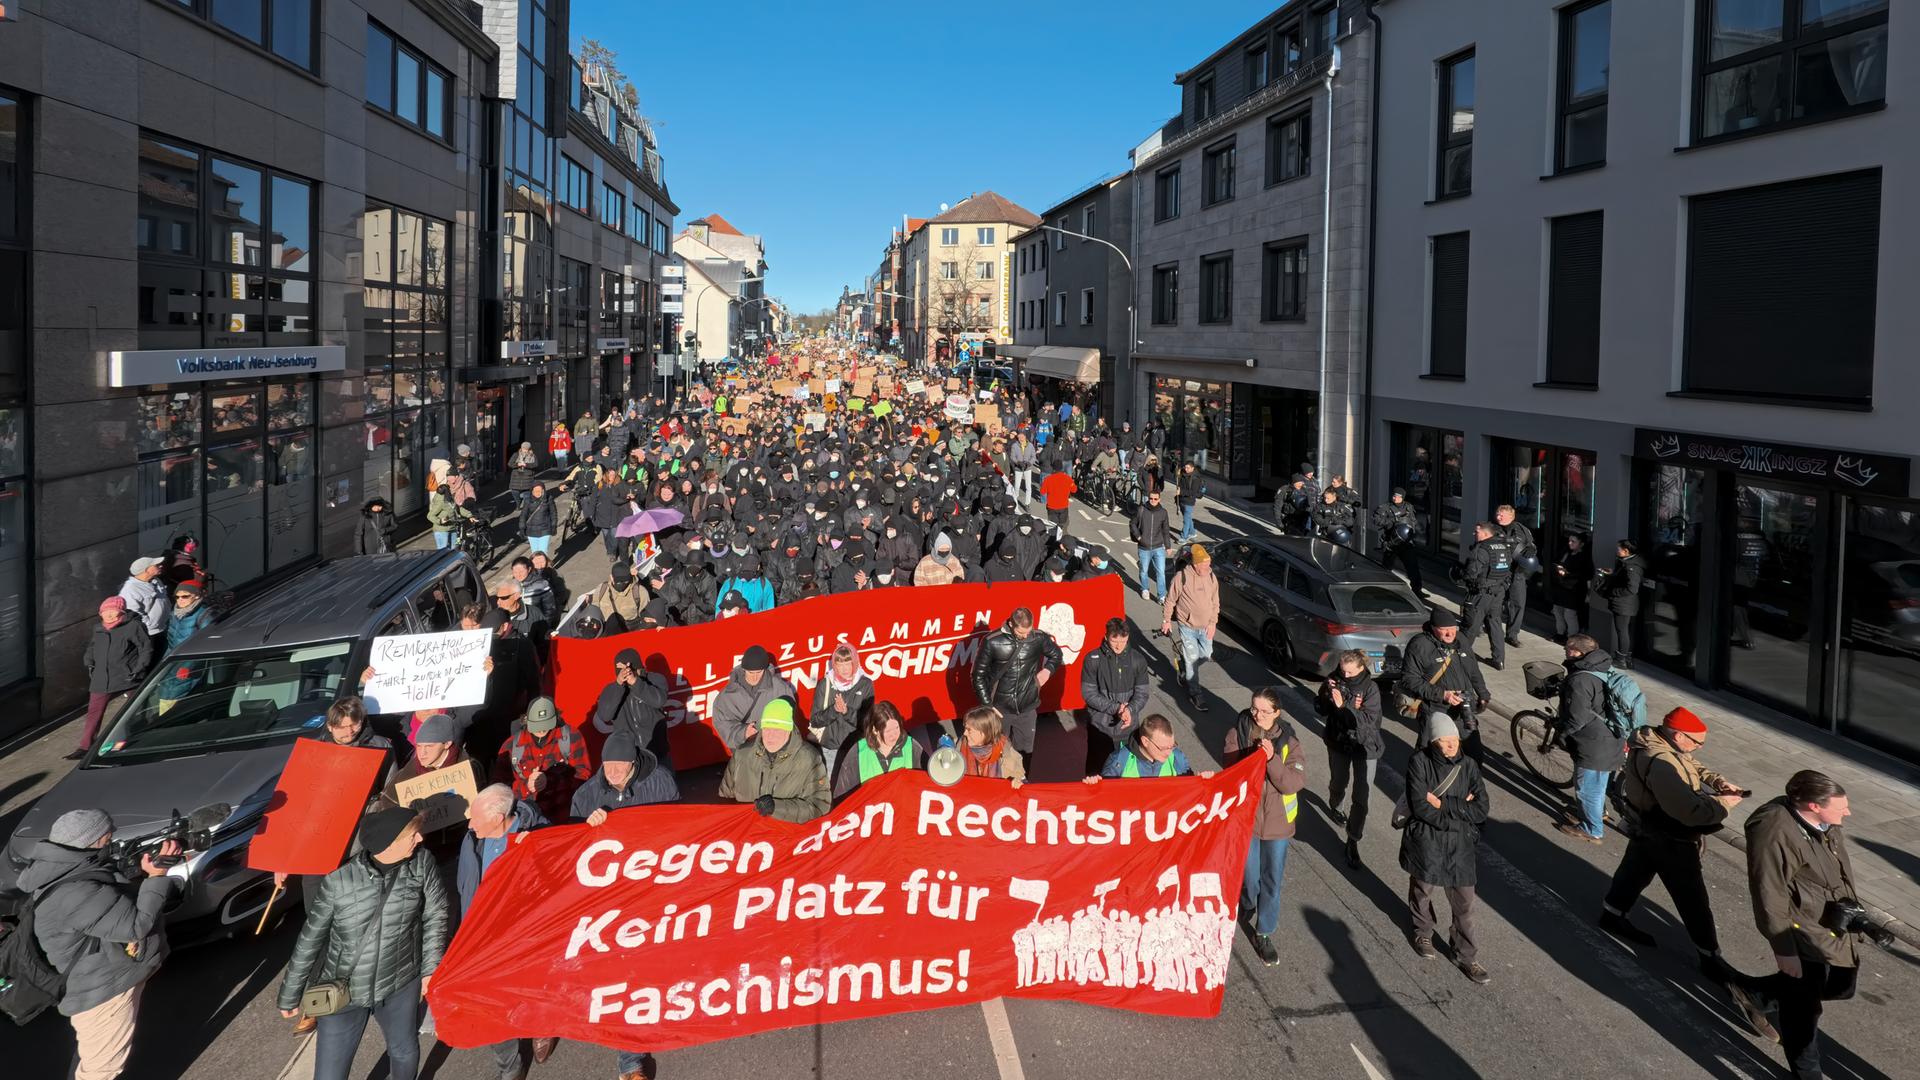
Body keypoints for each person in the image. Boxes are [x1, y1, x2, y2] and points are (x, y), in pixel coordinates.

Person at [276, 809, 449, 1080]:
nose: (419, 838)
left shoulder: (421, 863)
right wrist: (290, 992)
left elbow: (436, 913)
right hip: (344, 989)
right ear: (388, 843)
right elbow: (311, 938)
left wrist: (430, 968)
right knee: (329, 1073)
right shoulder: (338, 882)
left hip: (399, 982)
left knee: (403, 1051)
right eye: (411, 835)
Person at [16, 808, 181, 1080]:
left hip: (98, 979)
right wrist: (158, 877)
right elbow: (134, 926)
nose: (111, 843)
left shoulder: (65, 870)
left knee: (91, 1060)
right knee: (101, 1070)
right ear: (90, 842)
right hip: (99, 992)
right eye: (107, 839)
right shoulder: (76, 891)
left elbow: (108, 906)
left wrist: (140, 874)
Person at [1730, 771, 1864, 1080]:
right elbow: (1769, 891)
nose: (1848, 812)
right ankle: (1807, 1072)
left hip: (1830, 925)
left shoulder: (1826, 823)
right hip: (1799, 930)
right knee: (1803, 1007)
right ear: (1814, 806)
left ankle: (1756, 993)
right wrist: (1784, 948)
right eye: (1841, 806)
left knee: (1842, 986)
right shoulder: (1774, 831)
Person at [1599, 706, 1745, 979]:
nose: (1698, 748)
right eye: (1697, 742)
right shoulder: (1661, 762)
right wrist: (1725, 802)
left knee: (1634, 871)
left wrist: (1716, 780)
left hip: (1648, 826)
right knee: (1692, 898)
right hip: (1670, 835)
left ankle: (1613, 914)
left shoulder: (1655, 740)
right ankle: (1710, 958)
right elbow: (1690, 812)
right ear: (1679, 736)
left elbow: (1688, 763)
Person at [457, 784, 554, 1077]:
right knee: (493, 1003)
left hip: (528, 934)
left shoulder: (539, 834)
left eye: (475, 818)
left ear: (499, 817)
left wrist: (535, 852)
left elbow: (556, 883)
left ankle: (542, 1026)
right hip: (486, 934)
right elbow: (466, 884)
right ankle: (509, 1066)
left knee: (533, 985)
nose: (470, 824)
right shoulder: (472, 838)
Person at [1399, 712, 1491, 985]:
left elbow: (1482, 808)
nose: (1451, 746)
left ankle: (1465, 954)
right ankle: (1422, 931)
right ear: (1433, 741)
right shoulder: (1419, 762)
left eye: (1454, 740)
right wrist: (1461, 807)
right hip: (1428, 839)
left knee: (1464, 903)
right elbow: (1421, 806)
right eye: (1444, 741)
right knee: (1423, 890)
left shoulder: (1470, 766)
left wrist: (1445, 804)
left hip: (1459, 844)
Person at [1223, 690, 1305, 964]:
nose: (1257, 715)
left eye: (1264, 711)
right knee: (1249, 878)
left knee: (1272, 882)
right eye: (1254, 709)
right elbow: (1230, 774)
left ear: (1277, 713)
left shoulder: (1289, 743)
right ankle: (1246, 904)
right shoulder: (1238, 733)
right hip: (1247, 821)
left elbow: (1292, 784)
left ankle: (1264, 932)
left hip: (1277, 826)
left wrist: (1271, 761)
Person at [1554, 634, 1627, 845]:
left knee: (1587, 788)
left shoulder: (1580, 679)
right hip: (1611, 737)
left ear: (1578, 652)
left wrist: (1563, 733)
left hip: (1594, 743)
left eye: (1569, 648)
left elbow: (1578, 717)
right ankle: (1596, 813)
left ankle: (1592, 829)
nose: (1565, 650)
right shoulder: (1603, 666)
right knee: (1599, 784)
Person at [1317, 649, 1383, 869]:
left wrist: (1344, 708)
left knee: (1362, 797)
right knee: (1339, 781)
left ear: (1361, 668)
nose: (1345, 675)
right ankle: (1336, 804)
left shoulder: (1370, 689)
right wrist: (1327, 696)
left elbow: (1369, 721)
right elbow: (1320, 708)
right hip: (1338, 742)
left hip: (1365, 747)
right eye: (1342, 670)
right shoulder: (1335, 680)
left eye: (1349, 671)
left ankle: (1353, 839)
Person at [717, 699, 831, 824]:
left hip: (785, 837)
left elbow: (819, 805)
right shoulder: (741, 755)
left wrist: (777, 808)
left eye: (777, 730)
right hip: (746, 836)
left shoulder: (808, 759)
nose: (770, 736)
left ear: (788, 730)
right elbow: (724, 801)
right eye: (767, 729)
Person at [970, 607, 1063, 757]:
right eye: (1021, 633)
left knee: (1025, 753)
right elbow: (977, 676)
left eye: (1028, 631)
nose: (1026, 636)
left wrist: (1047, 671)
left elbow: (1056, 654)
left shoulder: (1038, 637)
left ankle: (1023, 779)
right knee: (996, 753)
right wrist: (988, 705)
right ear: (1011, 624)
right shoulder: (992, 641)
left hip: (1027, 707)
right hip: (999, 709)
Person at [1399, 609, 1490, 761]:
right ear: (1433, 628)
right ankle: (1423, 781)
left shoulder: (1461, 640)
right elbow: (1409, 679)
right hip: (1435, 710)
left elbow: (1473, 669)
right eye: (1444, 630)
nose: (1449, 633)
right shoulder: (1419, 645)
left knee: (1474, 756)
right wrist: (1443, 694)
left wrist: (1483, 693)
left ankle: (1471, 783)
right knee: (1429, 757)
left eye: (1452, 629)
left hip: (1463, 709)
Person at [589, 649, 678, 798]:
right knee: (637, 799)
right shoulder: (611, 690)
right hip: (630, 760)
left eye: (629, 669)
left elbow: (658, 700)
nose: (625, 673)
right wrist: (618, 685)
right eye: (621, 671)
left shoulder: (655, 680)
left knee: (668, 795)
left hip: (658, 752)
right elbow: (605, 714)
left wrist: (636, 682)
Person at [74, 598, 153, 759]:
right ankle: (85, 747)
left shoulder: (133, 626)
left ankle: (140, 736)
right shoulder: (98, 628)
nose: (108, 615)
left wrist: (139, 668)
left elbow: (145, 648)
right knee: (94, 712)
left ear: (121, 612)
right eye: (105, 612)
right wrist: (89, 661)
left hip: (129, 676)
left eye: (113, 611)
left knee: (138, 708)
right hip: (102, 678)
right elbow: (92, 646)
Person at [494, 697, 591, 825]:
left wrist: (551, 780)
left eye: (546, 725)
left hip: (563, 817)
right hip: (527, 821)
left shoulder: (570, 737)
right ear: (526, 720)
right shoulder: (511, 746)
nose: (541, 730)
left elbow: (583, 776)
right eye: (536, 725)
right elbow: (498, 790)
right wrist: (527, 786)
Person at [1079, 618, 1150, 777]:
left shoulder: (1138, 659)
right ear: (1106, 637)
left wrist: (1130, 710)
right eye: (1114, 640)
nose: (1119, 645)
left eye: (1123, 641)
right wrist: (1117, 708)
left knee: (1127, 771)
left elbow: (1142, 693)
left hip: (1129, 729)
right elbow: (1088, 693)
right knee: (1096, 771)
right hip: (1100, 727)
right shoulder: (1092, 659)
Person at [572, 729, 679, 823]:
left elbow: (677, 818)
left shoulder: (661, 781)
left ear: (632, 761)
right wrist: (589, 825)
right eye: (608, 765)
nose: (613, 772)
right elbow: (576, 835)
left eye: (620, 765)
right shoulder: (584, 795)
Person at [1161, 544, 1221, 711]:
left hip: (1206, 627)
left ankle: (1185, 666)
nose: (1207, 567)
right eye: (1204, 564)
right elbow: (1170, 600)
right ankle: (1195, 693)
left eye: (1208, 563)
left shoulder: (1211, 577)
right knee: (1192, 660)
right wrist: (1166, 620)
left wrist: (1213, 623)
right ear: (1195, 564)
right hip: (1187, 626)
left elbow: (1215, 602)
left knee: (1206, 654)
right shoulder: (1181, 577)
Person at [830, 701, 925, 799]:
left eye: (897, 728)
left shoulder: (912, 746)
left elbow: (928, 783)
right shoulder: (858, 752)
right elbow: (842, 795)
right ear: (875, 730)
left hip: (904, 811)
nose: (894, 735)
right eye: (888, 731)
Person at [150, 581, 217, 715]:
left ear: (197, 596)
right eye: (177, 597)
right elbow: (171, 641)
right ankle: (163, 718)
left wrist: (188, 665)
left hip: (189, 664)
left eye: (185, 596)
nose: (180, 600)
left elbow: (205, 645)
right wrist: (165, 661)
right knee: (165, 689)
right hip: (173, 660)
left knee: (176, 693)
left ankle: (168, 720)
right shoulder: (176, 613)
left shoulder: (204, 615)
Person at [712, 645, 796, 750]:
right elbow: (722, 723)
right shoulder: (728, 694)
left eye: (759, 672)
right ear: (744, 670)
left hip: (772, 748)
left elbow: (788, 720)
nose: (754, 677)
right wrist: (743, 733)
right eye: (751, 672)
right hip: (744, 751)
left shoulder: (780, 689)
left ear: (765, 670)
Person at [1090, 712, 1210, 780]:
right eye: (1163, 748)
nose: (1169, 753)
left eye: (1172, 745)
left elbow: (1190, 788)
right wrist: (1094, 786)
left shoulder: (1177, 757)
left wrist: (1201, 781)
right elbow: (1105, 797)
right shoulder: (1120, 759)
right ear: (1145, 741)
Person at [810, 642, 874, 767]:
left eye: (847, 663)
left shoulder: (865, 684)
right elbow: (815, 721)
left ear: (854, 662)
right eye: (840, 664)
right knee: (832, 786)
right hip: (830, 751)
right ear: (834, 665)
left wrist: (846, 712)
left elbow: (867, 722)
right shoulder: (825, 684)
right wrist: (834, 710)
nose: (844, 669)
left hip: (857, 749)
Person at [1460, 522, 1514, 670]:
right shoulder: (1504, 547)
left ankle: (1460, 657)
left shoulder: (1481, 549)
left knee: (1470, 626)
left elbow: (1471, 573)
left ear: (1485, 534)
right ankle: (1499, 660)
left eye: (1477, 532)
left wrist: (1462, 577)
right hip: (1498, 592)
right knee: (1495, 624)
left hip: (1480, 594)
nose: (1474, 534)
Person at [1491, 504, 1537, 647]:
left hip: (1517, 572)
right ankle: (1490, 627)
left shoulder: (1522, 530)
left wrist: (1531, 549)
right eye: (1498, 514)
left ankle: (1512, 635)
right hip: (1497, 571)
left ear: (1511, 516)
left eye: (1502, 515)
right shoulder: (1491, 528)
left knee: (1517, 604)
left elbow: (1532, 546)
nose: (1499, 517)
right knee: (1493, 602)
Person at [950, 706, 1027, 784]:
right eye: (965, 728)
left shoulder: (1007, 754)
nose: (964, 733)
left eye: (969, 730)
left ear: (985, 732)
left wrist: (1016, 781)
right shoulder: (959, 744)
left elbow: (1021, 780)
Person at [1599, 539, 1645, 669]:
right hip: (1624, 603)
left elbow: (1632, 588)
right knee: (1623, 630)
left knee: (1622, 630)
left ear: (1626, 551)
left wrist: (1614, 592)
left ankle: (1621, 659)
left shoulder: (1632, 567)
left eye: (1618, 548)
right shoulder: (1626, 562)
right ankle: (1626, 657)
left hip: (1624, 604)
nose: (1616, 550)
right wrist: (1611, 574)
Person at [117, 556, 170, 661]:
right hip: (149, 635)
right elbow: (134, 613)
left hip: (164, 628)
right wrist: (150, 624)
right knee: (153, 662)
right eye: (156, 565)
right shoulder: (130, 590)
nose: (161, 566)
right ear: (146, 570)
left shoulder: (156, 580)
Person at [1372, 488, 1423, 594]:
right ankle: (1383, 590)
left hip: (1406, 543)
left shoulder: (1409, 507)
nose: (1395, 498)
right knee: (1386, 568)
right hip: (1391, 542)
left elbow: (1414, 521)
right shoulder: (1385, 507)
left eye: (1398, 496)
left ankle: (1417, 590)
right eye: (1394, 496)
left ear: (1403, 497)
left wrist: (1411, 530)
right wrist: (1391, 522)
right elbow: (1376, 520)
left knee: (1412, 566)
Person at [1549, 532, 1594, 643]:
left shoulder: (1584, 557)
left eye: (1573, 541)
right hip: (1560, 588)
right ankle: (1560, 634)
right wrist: (1557, 569)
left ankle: (1572, 637)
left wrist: (1568, 574)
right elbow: (1555, 563)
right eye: (1569, 541)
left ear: (1581, 544)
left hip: (1573, 590)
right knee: (1557, 611)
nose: (1570, 543)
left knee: (1570, 614)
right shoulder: (1565, 553)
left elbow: (1588, 574)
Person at [1130, 487, 1172, 602]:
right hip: (1144, 547)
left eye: (1155, 499)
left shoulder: (1163, 512)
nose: (1153, 500)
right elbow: (1132, 523)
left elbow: (1166, 530)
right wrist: (1139, 537)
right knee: (1144, 570)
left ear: (1159, 499)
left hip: (1159, 547)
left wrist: (1168, 546)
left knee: (1161, 573)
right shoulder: (1141, 509)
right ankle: (1145, 589)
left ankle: (1161, 596)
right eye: (1151, 498)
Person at [427, 483, 475, 550]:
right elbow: (430, 515)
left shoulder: (449, 499)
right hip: (442, 530)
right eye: (450, 489)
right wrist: (440, 521)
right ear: (447, 491)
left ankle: (454, 560)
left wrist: (469, 515)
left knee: (454, 549)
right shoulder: (440, 502)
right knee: (442, 551)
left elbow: (458, 509)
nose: (451, 490)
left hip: (452, 528)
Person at [521, 482, 560, 556]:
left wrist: (554, 526)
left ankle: (543, 566)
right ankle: (536, 567)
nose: (538, 493)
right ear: (532, 491)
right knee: (534, 552)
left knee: (543, 552)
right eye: (535, 491)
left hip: (545, 529)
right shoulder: (528, 500)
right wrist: (522, 528)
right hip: (531, 530)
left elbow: (553, 514)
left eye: (540, 491)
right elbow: (523, 515)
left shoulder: (549, 499)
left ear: (543, 491)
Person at [1038, 463, 1077, 532]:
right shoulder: (1067, 478)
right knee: (1063, 526)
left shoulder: (1048, 479)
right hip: (1063, 507)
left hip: (1051, 507)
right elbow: (1074, 490)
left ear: (1053, 469)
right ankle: (1062, 538)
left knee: (1053, 527)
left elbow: (1042, 491)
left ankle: (1053, 540)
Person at [1176, 461, 1204, 543]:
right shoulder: (1183, 474)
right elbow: (1175, 474)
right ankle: (1192, 532)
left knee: (1186, 520)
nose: (1186, 469)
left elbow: (1193, 492)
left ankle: (1183, 537)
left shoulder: (1196, 479)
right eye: (1185, 467)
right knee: (1188, 518)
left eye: (1188, 468)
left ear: (1192, 468)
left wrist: (1181, 492)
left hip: (1189, 501)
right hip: (1182, 499)